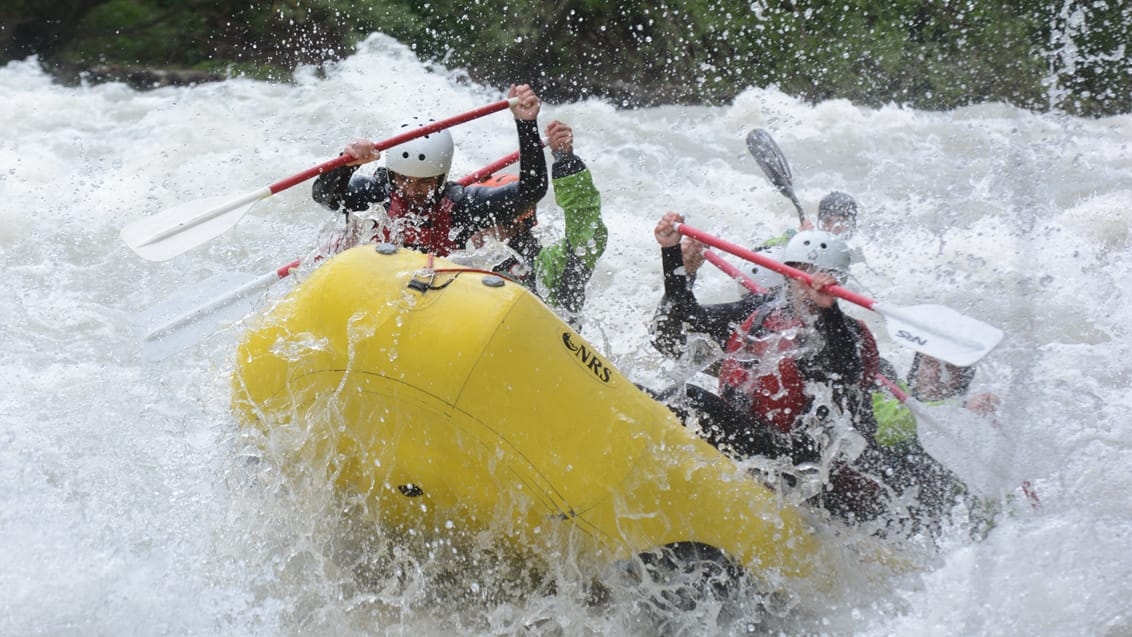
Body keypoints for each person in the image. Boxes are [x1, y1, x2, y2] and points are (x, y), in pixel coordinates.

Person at [652, 212, 889, 522]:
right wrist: (672, 255)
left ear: (837, 281)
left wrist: (827, 313)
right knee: (657, 394)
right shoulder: (762, 312)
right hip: (750, 439)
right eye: (800, 271)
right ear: (788, 274)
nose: (808, 282)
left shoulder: (849, 331)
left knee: (688, 399)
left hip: (800, 463)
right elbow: (684, 317)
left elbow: (841, 370)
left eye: (818, 273)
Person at [310, 84, 547, 257]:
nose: (412, 190)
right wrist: (344, 165)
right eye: (404, 179)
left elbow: (530, 192)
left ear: (442, 178)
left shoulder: (461, 206)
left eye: (425, 182)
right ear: (391, 174)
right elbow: (324, 197)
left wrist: (526, 124)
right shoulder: (373, 195)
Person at [467, 120, 607, 317]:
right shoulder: (461, 258)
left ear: (517, 223)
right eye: (475, 223)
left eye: (486, 225)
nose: (477, 233)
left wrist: (566, 160)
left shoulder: (546, 267)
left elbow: (585, 228)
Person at [681, 190, 860, 289]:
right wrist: (799, 241)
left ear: (852, 227)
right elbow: (753, 266)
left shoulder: (856, 256)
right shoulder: (796, 240)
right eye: (829, 221)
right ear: (821, 222)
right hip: (764, 284)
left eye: (843, 223)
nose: (836, 228)